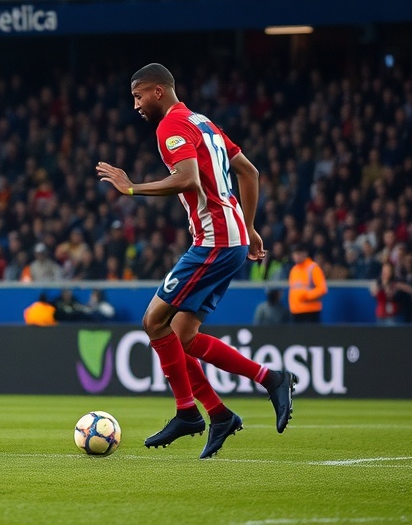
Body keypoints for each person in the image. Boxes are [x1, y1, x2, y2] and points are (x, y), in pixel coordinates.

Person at [96, 62, 296, 460]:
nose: (135, 105)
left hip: (214, 241)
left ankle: (188, 412)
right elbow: (250, 172)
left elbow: (187, 178)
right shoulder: (203, 123)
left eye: (138, 96)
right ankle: (234, 404)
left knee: (153, 321)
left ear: (157, 91)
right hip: (230, 239)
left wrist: (131, 188)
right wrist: (249, 227)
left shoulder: (170, 126)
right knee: (183, 335)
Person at [287, 245, 328, 323]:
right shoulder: (294, 270)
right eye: (295, 254)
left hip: (310, 311)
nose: (297, 256)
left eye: (299, 253)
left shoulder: (313, 268)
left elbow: (322, 289)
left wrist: (306, 296)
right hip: (295, 311)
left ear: (305, 253)